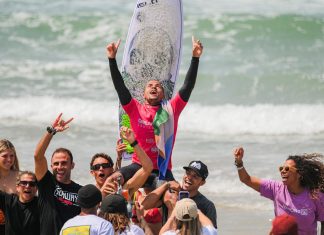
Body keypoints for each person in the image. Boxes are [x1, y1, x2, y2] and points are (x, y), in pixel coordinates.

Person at [106, 36, 203, 183]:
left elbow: (187, 87)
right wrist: (112, 60)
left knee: (174, 195)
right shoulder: (134, 108)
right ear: (143, 94)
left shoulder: (171, 109)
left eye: (158, 86)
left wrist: (195, 58)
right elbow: (120, 87)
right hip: (138, 166)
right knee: (113, 180)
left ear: (163, 94)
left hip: (162, 169)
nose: (153, 87)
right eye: (149, 86)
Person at [233, 147, 324, 235]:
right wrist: (239, 164)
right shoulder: (276, 188)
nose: (283, 171)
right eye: (281, 168)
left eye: (287, 169)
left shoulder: (315, 196)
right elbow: (246, 179)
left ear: (299, 174)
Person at [34, 113, 82, 234]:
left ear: (72, 165)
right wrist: (51, 131)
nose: (59, 167)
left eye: (64, 163)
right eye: (56, 164)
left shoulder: (81, 191)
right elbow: (38, 156)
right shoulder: (46, 182)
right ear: (51, 166)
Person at [142, 161, 217, 228]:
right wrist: (166, 185)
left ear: (202, 183)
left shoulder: (207, 205)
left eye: (195, 176)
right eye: (188, 173)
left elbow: (212, 231)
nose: (189, 177)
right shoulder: (171, 193)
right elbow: (144, 206)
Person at [0, 139, 20, 233]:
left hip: (16, 227)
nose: (9, 159)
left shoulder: (21, 177)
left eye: (12, 156)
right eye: (5, 156)